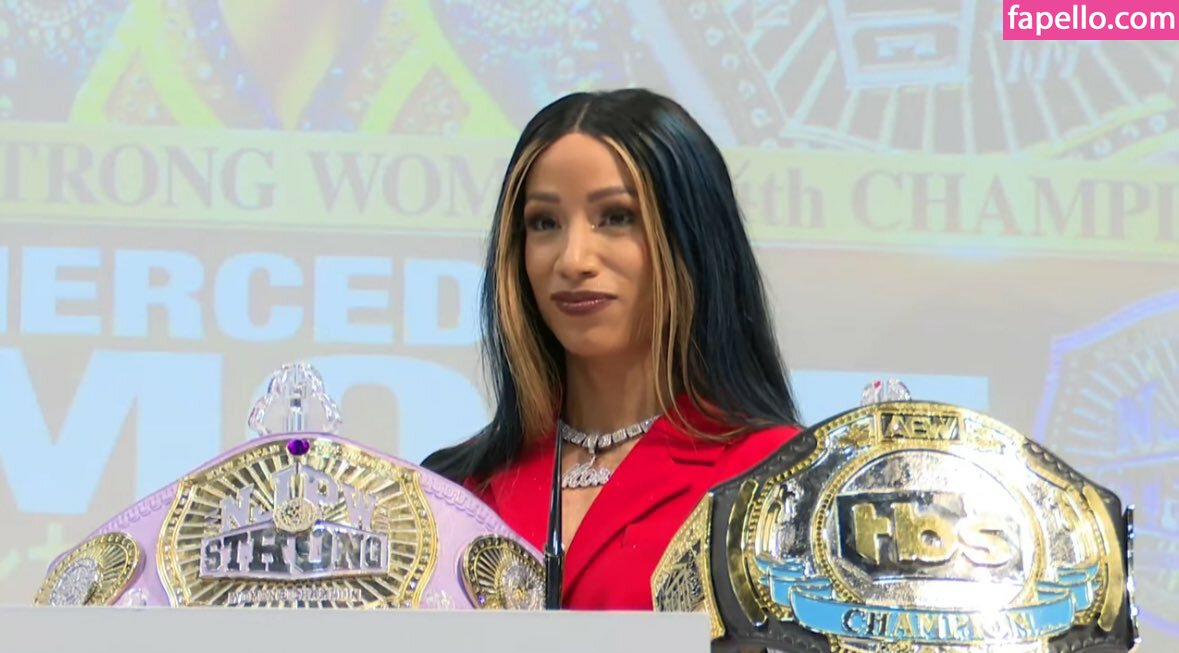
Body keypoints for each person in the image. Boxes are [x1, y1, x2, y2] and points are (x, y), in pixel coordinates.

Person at [422, 87, 803, 610]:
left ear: (695, 241)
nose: (573, 259)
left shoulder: (776, 482)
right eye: (545, 223)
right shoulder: (454, 489)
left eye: (617, 217)